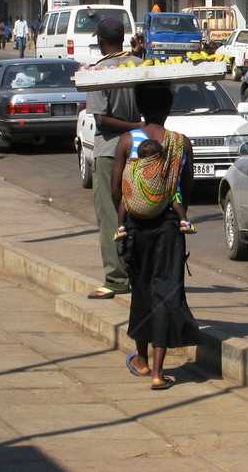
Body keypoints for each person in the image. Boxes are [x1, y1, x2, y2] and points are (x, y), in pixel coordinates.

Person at [111, 84, 202, 390]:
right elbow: (186, 187)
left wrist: (127, 217)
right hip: (168, 227)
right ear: (168, 109)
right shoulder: (180, 143)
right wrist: (177, 214)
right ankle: (158, 373)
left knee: (142, 290)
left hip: (136, 227)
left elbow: (116, 188)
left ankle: (141, 358)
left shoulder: (127, 141)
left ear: (139, 107)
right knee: (165, 293)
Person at [85, 17, 144, 300]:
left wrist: (133, 126)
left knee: (110, 217)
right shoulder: (137, 64)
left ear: (100, 41)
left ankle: (116, 278)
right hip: (136, 150)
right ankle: (137, 273)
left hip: (109, 152)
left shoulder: (99, 72)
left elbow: (101, 119)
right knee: (135, 214)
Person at [113, 136, 196, 242]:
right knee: (173, 195)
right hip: (162, 207)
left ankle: (121, 227)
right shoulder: (162, 168)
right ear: (159, 156)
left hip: (135, 211)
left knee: (124, 199)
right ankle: (184, 220)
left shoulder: (132, 166)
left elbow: (119, 188)